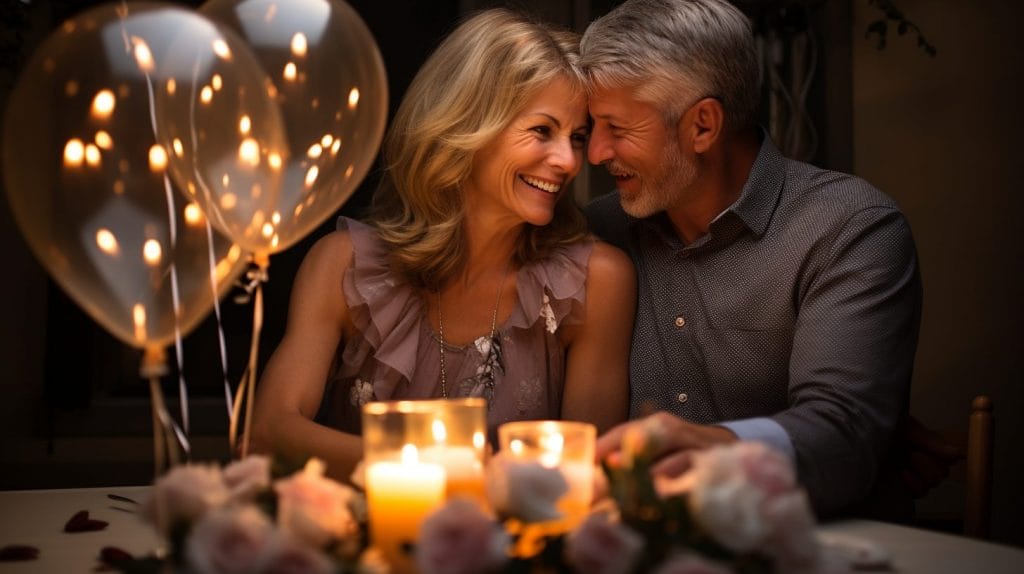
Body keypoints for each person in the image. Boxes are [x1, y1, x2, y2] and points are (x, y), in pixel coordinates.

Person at [249, 8, 636, 482]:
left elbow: (591, 474)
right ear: (466, 126)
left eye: (577, 137)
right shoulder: (345, 266)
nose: (568, 160)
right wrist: (444, 470)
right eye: (542, 130)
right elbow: (266, 435)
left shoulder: (596, 282)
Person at [580, 0, 922, 517]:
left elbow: (844, 437)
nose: (595, 153)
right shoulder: (598, 233)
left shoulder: (850, 228)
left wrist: (718, 449)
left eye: (617, 128)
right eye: (592, 127)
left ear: (703, 125)